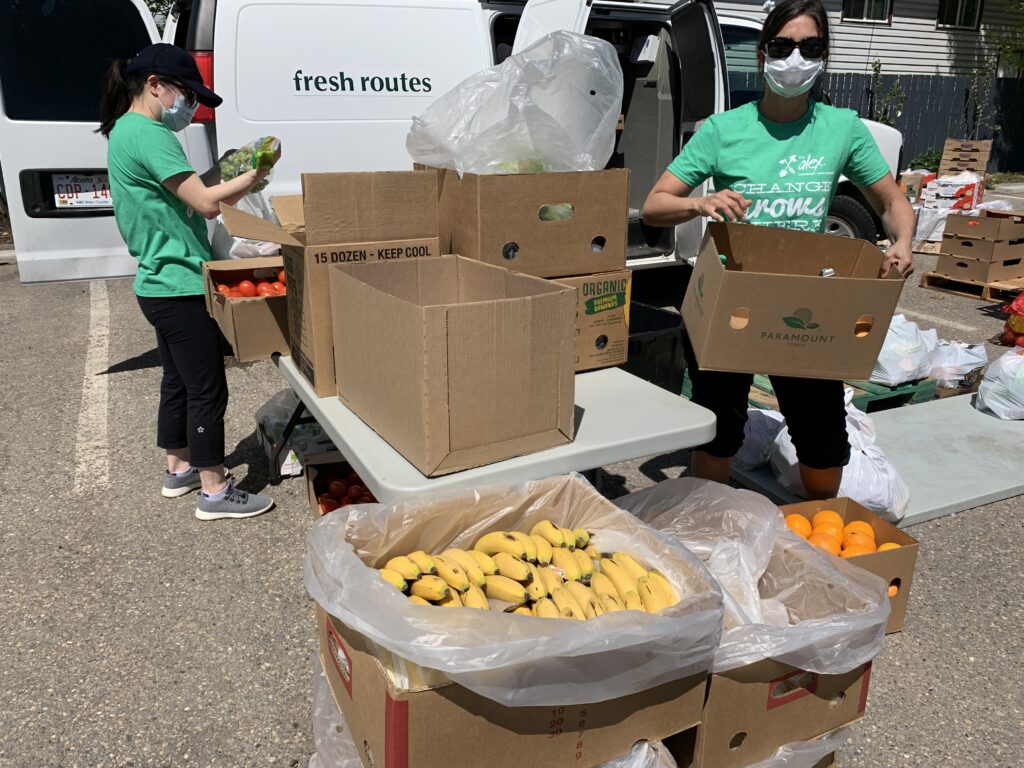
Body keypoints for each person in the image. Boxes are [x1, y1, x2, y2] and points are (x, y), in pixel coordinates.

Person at [642, 0, 915, 499]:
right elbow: (655, 205)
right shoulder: (725, 130)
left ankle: (821, 527)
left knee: (821, 435)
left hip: (806, 298)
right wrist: (703, 203)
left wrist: (902, 239)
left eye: (810, 47)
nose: (795, 58)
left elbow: (891, 199)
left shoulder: (842, 128)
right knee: (719, 426)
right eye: (783, 45)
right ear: (764, 54)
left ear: (825, 55)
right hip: (734, 298)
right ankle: (710, 524)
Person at [99, 43, 276, 520]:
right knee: (207, 388)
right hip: (178, 283)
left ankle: (178, 468)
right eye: (187, 93)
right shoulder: (151, 133)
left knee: (177, 382)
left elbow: (187, 189)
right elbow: (206, 204)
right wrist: (255, 175)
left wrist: (230, 170)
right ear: (154, 85)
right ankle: (214, 492)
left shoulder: (127, 130)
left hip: (155, 282)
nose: (190, 106)